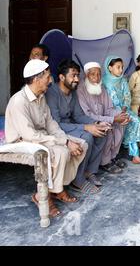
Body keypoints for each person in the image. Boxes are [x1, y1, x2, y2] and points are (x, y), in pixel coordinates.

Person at [5, 59, 87, 217]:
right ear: (36, 79)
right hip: (21, 141)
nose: (51, 81)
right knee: (61, 152)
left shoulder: (41, 96)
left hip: (41, 136)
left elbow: (51, 123)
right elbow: (30, 135)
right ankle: (42, 196)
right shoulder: (19, 101)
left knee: (81, 145)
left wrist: (65, 139)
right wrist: (64, 142)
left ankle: (56, 189)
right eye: (48, 77)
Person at [46, 59, 110, 194]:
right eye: (73, 76)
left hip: (70, 125)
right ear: (62, 77)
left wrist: (96, 124)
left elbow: (79, 115)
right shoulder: (52, 93)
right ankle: (78, 180)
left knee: (101, 132)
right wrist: (86, 128)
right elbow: (55, 124)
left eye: (77, 76)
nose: (76, 79)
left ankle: (89, 171)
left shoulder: (72, 92)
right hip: (58, 130)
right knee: (87, 137)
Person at [77, 62, 130, 174]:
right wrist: (112, 119)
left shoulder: (101, 87)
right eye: (93, 74)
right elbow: (87, 115)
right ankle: (105, 162)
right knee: (107, 127)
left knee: (121, 124)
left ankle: (112, 156)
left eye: (99, 74)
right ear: (87, 75)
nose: (96, 78)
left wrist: (121, 115)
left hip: (103, 117)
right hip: (91, 122)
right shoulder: (80, 90)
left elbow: (109, 108)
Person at [103, 55, 140, 165]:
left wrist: (125, 106)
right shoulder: (105, 82)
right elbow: (109, 101)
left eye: (122, 67)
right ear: (110, 68)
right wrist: (119, 110)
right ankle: (135, 152)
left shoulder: (123, 79)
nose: (121, 70)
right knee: (132, 121)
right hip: (111, 111)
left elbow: (127, 95)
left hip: (124, 109)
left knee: (136, 121)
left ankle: (135, 154)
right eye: (118, 67)